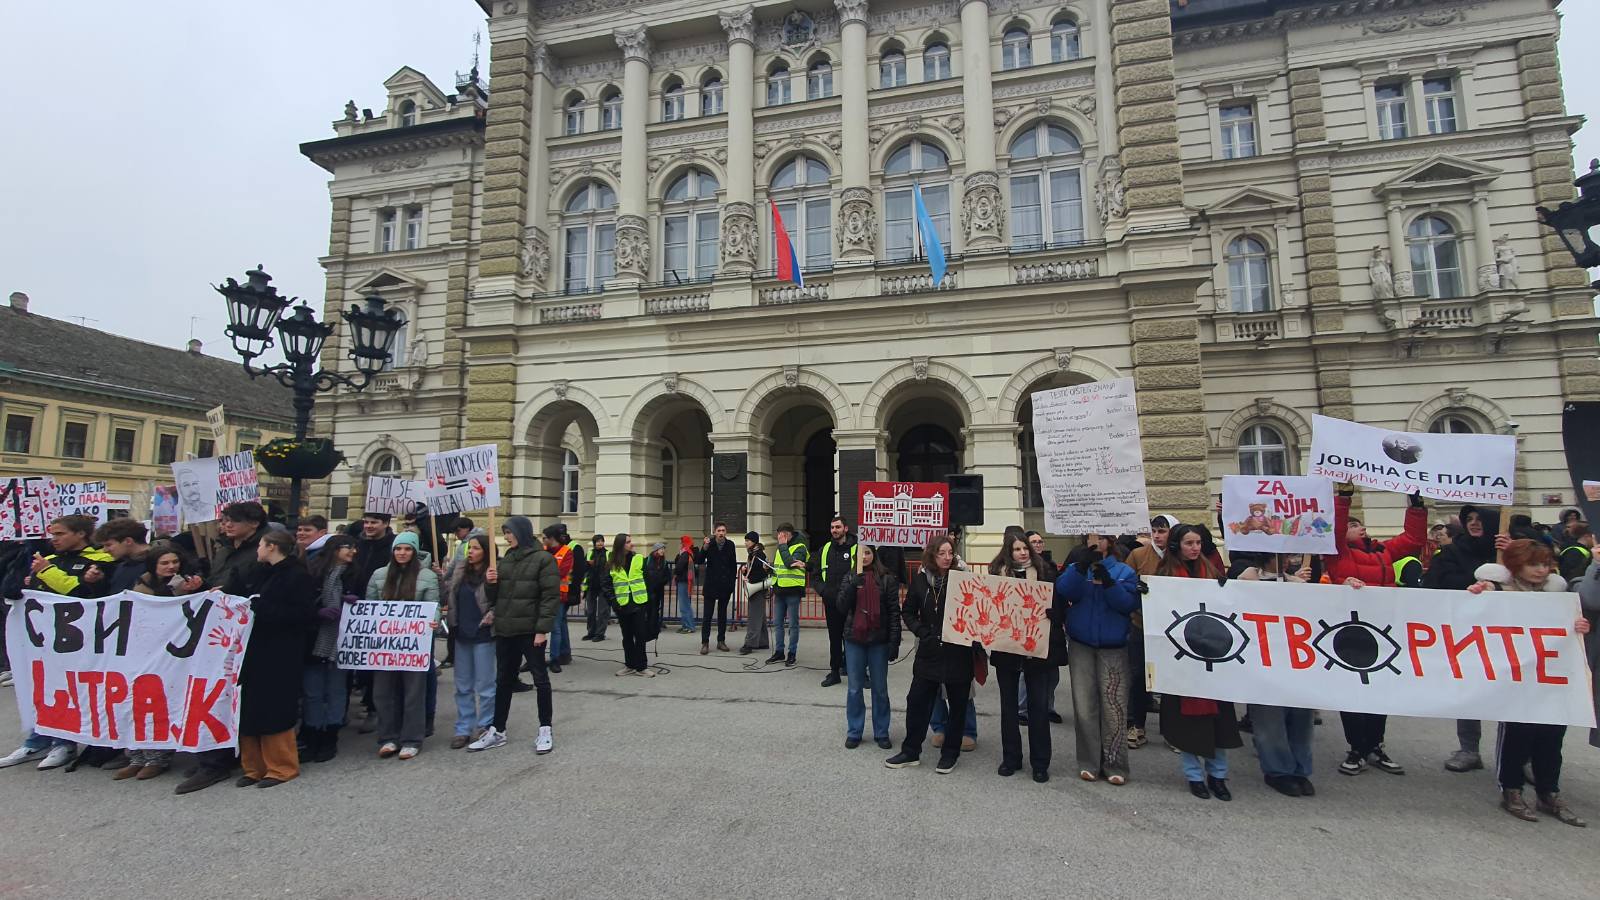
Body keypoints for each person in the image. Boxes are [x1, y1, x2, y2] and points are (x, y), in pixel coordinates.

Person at [1468, 538, 1590, 826]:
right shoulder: (1498, 589)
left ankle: (1549, 792)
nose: (1541, 570)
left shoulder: (1558, 595)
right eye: (1533, 564)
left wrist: (1580, 626)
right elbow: (1472, 614)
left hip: (1549, 678)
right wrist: (1477, 593)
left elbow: (1573, 626)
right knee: (1517, 736)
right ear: (1515, 564)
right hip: (1515, 679)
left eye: (1546, 564)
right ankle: (1511, 790)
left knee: (1551, 739)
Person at [0, 515, 117, 771]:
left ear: (81, 535)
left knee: (68, 690)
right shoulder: (47, 559)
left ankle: (64, 743)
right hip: (42, 640)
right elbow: (11, 590)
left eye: (60, 534)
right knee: (40, 688)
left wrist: (46, 573)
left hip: (80, 641)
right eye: (52, 534)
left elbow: (79, 593)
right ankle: (36, 739)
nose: (54, 539)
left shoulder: (101, 560)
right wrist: (25, 561)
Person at [1327, 485, 1425, 777]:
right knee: (1353, 691)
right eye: (1354, 526)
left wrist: (1416, 507)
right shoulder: (1337, 552)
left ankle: (1375, 744)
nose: (1362, 529)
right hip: (1350, 630)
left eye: (1362, 525)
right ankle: (1356, 747)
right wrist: (1344, 498)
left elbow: (1413, 539)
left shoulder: (1384, 551)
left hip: (1383, 628)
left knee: (1380, 691)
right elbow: (1335, 528)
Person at [1156, 525, 1240, 801]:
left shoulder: (1212, 572)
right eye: (1189, 543)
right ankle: (1193, 775)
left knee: (1217, 719)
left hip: (1214, 654)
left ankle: (1218, 775)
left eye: (1198, 543)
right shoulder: (1165, 573)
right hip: (1183, 657)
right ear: (1177, 546)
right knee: (1189, 722)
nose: (1194, 548)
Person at [886, 535, 979, 774]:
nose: (947, 558)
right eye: (942, 553)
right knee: (916, 701)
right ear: (932, 555)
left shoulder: (963, 579)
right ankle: (910, 751)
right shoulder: (919, 581)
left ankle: (950, 753)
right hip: (929, 651)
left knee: (958, 703)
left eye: (950, 553)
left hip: (958, 651)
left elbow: (977, 610)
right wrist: (921, 631)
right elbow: (908, 611)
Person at [1057, 530, 1140, 785]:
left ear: (1110, 542)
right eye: (1092, 538)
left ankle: (1115, 762)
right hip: (1082, 643)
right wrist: (1080, 568)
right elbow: (1064, 591)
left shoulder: (1123, 571)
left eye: (1101, 538)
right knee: (1084, 706)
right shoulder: (1077, 567)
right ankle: (1089, 761)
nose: (1096, 542)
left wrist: (1109, 584)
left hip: (1112, 646)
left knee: (1113, 706)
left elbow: (1127, 605)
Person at [470, 516, 560, 753]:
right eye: (505, 532)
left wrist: (542, 629)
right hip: (506, 629)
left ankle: (545, 729)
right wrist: (490, 583)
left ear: (522, 532)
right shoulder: (507, 560)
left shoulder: (543, 559)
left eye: (509, 532)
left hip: (531, 632)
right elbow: (495, 597)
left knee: (540, 680)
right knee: (504, 681)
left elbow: (549, 597)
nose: (507, 537)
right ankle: (498, 730)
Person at [236, 529, 317, 787]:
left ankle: (281, 766)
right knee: (249, 705)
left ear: (271, 546)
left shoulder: (297, 576)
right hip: (253, 648)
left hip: (281, 651)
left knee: (275, 707)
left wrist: (264, 608)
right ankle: (253, 767)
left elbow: (304, 615)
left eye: (260, 544)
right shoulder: (260, 572)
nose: (257, 549)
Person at [1424, 502, 1502, 772]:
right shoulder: (1451, 551)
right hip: (1465, 631)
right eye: (1469, 518)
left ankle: (1519, 755)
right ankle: (1469, 748)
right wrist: (1473, 584)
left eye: (1480, 518)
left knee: (1513, 691)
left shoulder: (1506, 551)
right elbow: (1434, 583)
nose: (1474, 523)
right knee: (1469, 690)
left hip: (1504, 632)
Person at [1233, 553, 1317, 797]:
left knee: (1302, 719)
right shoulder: (1247, 581)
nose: (1290, 560)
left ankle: (1301, 769)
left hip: (1297, 661)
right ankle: (1278, 771)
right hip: (1263, 661)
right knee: (1270, 721)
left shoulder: (1297, 585)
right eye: (1284, 555)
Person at [365, 532, 440, 760]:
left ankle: (411, 739)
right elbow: (370, 605)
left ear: (414, 551)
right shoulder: (379, 575)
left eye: (407, 549)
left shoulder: (427, 576)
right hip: (385, 644)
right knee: (383, 692)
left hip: (414, 644)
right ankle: (388, 736)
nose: (402, 553)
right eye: (398, 549)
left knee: (413, 692)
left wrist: (432, 621)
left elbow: (433, 604)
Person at [989, 534, 1056, 783]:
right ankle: (1011, 758)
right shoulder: (998, 573)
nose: (1022, 553)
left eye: (1025, 548)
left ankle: (1040, 763)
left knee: (1037, 707)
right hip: (1006, 649)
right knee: (1008, 707)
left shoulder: (1045, 571)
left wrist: (1052, 611)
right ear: (1009, 551)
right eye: (1017, 549)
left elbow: (1057, 602)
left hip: (1035, 650)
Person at [836, 544, 901, 750]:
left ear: (874, 555)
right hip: (855, 639)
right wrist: (851, 587)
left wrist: (894, 641)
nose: (864, 557)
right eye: (860, 553)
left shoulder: (887, 579)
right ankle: (854, 731)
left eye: (868, 552)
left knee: (880, 689)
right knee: (854, 689)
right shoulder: (849, 577)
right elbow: (840, 607)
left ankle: (881, 731)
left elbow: (893, 612)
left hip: (879, 641)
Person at [301, 534, 357, 764]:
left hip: (341, 641)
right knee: (313, 692)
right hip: (315, 640)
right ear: (334, 549)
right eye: (348, 547)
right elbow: (301, 604)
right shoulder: (313, 574)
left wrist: (355, 602)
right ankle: (312, 734)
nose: (353, 551)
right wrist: (317, 613)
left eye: (354, 547)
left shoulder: (355, 575)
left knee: (336, 691)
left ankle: (330, 737)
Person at [1122, 514, 1176, 749]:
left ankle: (1172, 731)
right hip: (1140, 625)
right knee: (1137, 677)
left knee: (1169, 680)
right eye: (1154, 530)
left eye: (1162, 531)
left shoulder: (1180, 555)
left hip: (1171, 629)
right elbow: (1123, 582)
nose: (1157, 535)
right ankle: (1137, 725)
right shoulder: (1139, 555)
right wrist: (1134, 589)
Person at [444, 534, 497, 749]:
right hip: (462, 632)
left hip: (483, 633)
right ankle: (463, 727)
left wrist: (492, 612)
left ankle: (485, 724)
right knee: (462, 685)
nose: (470, 552)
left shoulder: (493, 572)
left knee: (485, 684)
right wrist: (441, 579)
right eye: (469, 549)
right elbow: (448, 595)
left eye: (475, 548)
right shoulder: (459, 571)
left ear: (486, 551)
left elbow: (500, 599)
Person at [813, 516, 857, 687]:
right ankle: (835, 672)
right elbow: (815, 575)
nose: (834, 530)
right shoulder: (824, 549)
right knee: (835, 638)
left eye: (838, 527)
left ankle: (859, 672)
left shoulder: (858, 548)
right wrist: (823, 591)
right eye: (832, 527)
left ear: (845, 528)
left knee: (855, 638)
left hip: (853, 602)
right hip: (831, 602)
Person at [603, 533, 654, 676]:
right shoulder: (611, 562)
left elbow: (648, 580)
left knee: (640, 635)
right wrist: (613, 602)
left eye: (631, 541)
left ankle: (642, 667)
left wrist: (649, 599)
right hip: (622, 604)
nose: (632, 544)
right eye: (628, 542)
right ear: (620, 545)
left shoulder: (639, 559)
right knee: (627, 636)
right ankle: (630, 665)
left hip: (639, 602)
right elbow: (606, 584)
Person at [767, 523, 809, 667]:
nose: (779, 538)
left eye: (781, 535)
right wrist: (769, 567)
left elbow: (789, 563)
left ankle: (792, 653)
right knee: (777, 623)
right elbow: (779, 566)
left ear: (788, 534)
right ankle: (779, 651)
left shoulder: (800, 547)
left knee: (793, 624)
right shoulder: (781, 547)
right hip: (779, 590)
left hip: (793, 590)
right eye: (778, 535)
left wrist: (783, 545)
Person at [541, 524, 581, 672]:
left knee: (556, 627)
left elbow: (561, 572)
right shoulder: (543, 551)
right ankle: (562, 654)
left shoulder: (567, 551)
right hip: (543, 593)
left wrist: (543, 572)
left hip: (559, 594)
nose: (542, 540)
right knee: (557, 625)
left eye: (545, 538)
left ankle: (555, 659)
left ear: (552, 539)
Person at [701, 523, 737, 654]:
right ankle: (705, 642)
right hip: (711, 585)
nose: (721, 533)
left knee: (722, 615)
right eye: (719, 531)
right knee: (707, 616)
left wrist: (731, 583)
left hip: (724, 586)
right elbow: (699, 560)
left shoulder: (730, 545)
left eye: (723, 530)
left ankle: (721, 641)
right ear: (714, 532)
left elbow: (733, 565)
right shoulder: (709, 543)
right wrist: (704, 547)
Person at [93, 518, 152, 593]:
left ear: (128, 541)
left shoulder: (159, 564)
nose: (105, 550)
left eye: (108, 545)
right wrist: (97, 581)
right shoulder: (121, 566)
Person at [739, 532, 773, 655]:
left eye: (748, 540)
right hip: (758, 588)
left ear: (754, 542)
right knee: (760, 616)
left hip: (757, 588)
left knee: (754, 617)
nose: (745, 543)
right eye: (745, 540)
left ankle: (749, 644)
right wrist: (746, 571)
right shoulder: (754, 554)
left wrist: (749, 577)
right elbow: (756, 570)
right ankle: (762, 642)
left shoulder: (758, 555)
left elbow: (762, 572)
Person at [582, 533, 610, 642]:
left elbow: (611, 569)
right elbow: (584, 568)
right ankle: (591, 632)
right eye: (598, 541)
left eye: (601, 541)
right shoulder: (589, 553)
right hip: (591, 585)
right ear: (594, 543)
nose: (600, 543)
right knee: (590, 611)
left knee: (602, 611)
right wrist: (588, 564)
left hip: (603, 586)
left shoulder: (608, 554)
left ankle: (600, 634)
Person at [673, 535, 698, 634]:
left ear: (684, 543)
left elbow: (679, 566)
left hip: (683, 581)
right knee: (684, 604)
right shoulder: (687, 552)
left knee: (684, 605)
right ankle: (685, 625)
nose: (680, 544)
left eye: (681, 542)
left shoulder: (685, 553)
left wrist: (675, 572)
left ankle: (689, 626)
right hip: (685, 581)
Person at [644, 541, 670, 636]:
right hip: (649, 589)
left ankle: (654, 626)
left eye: (664, 549)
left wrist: (662, 581)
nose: (663, 551)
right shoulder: (647, 560)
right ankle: (649, 626)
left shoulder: (664, 562)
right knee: (649, 608)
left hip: (659, 589)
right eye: (661, 549)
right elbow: (644, 573)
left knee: (656, 608)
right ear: (656, 550)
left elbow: (667, 575)